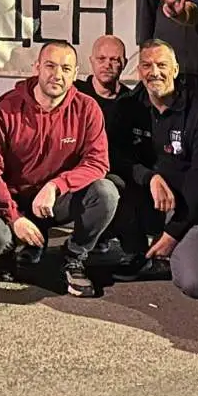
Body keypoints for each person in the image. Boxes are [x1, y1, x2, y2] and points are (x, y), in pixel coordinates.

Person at [0, 41, 117, 298]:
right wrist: (14, 217)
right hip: (14, 202)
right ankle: (13, 250)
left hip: (55, 201)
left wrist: (57, 185)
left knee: (106, 193)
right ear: (36, 68)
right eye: (50, 66)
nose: (57, 75)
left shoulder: (87, 108)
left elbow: (98, 162)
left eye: (65, 69)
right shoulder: (5, 108)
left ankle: (74, 257)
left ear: (75, 73)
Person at [119, 41, 198, 296]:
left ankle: (169, 251)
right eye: (147, 65)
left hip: (188, 205)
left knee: (195, 284)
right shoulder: (128, 106)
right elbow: (117, 157)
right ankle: (137, 253)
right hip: (149, 197)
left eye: (162, 65)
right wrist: (149, 177)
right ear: (139, 71)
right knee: (111, 186)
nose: (154, 72)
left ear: (175, 70)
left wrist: (172, 234)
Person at [75, 34, 142, 259]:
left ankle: (132, 251)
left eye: (114, 59)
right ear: (91, 61)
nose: (107, 65)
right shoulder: (74, 94)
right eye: (101, 58)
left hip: (112, 173)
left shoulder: (132, 102)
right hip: (71, 171)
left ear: (124, 63)